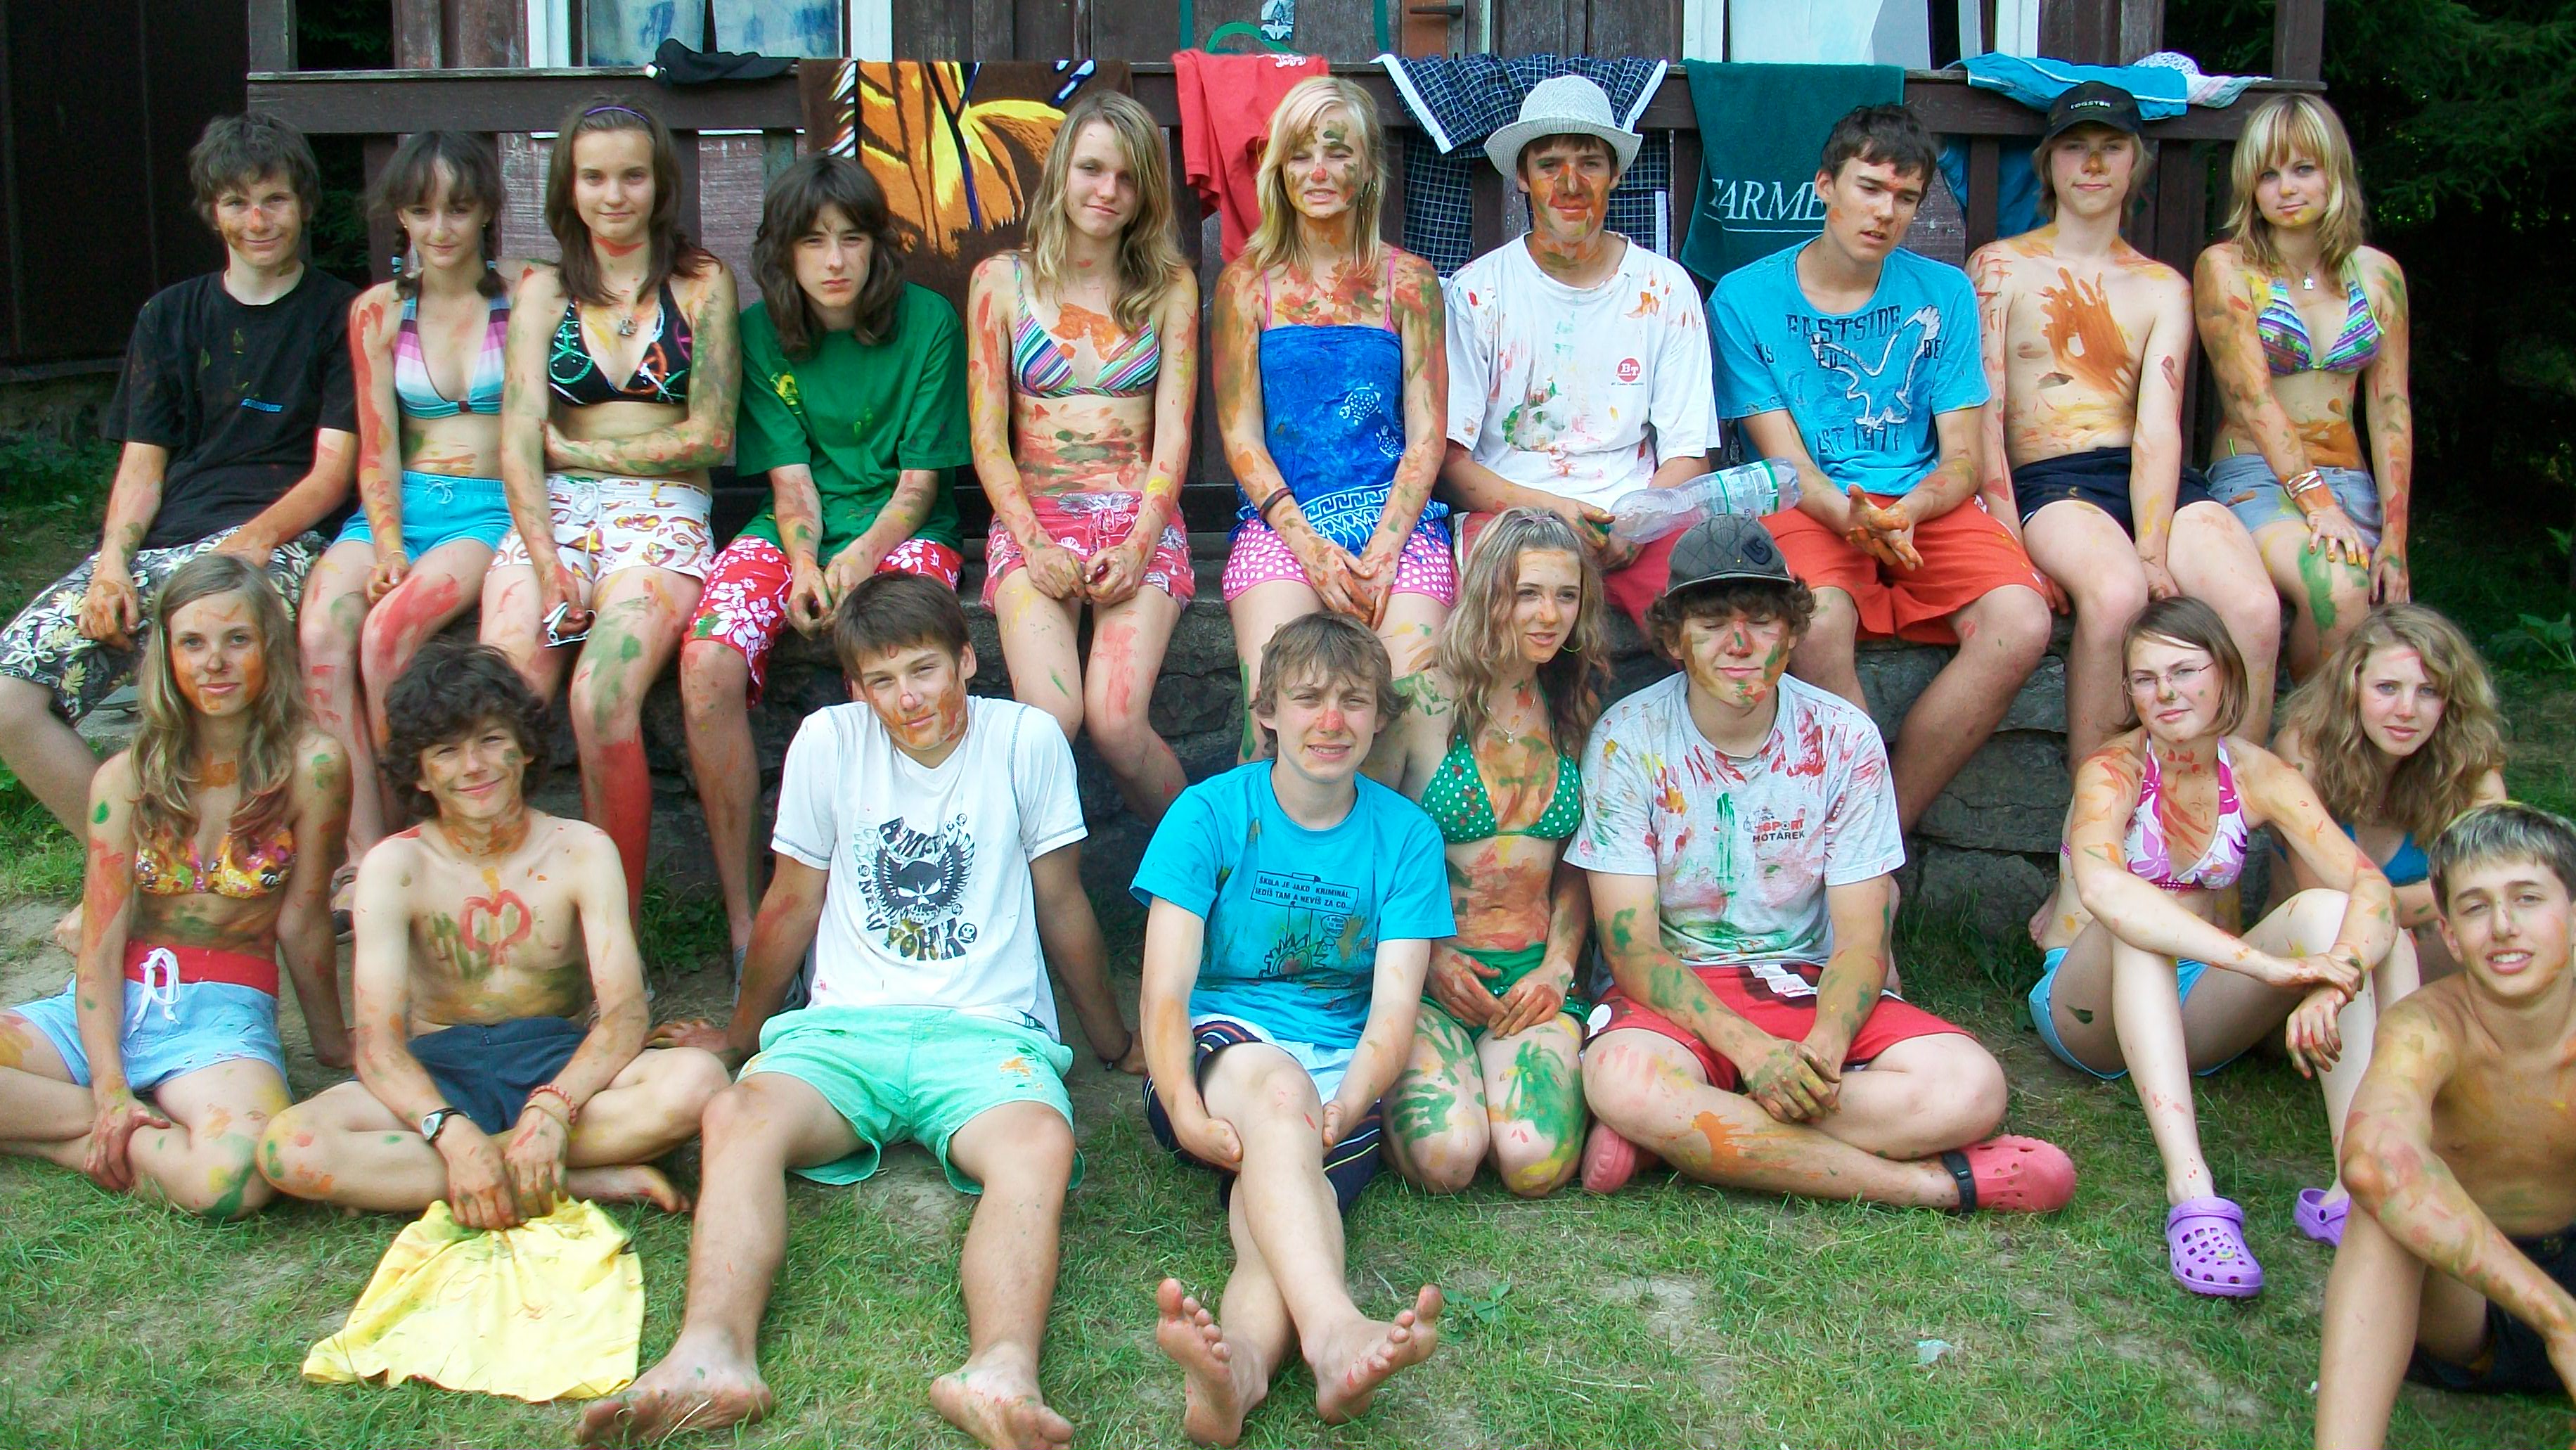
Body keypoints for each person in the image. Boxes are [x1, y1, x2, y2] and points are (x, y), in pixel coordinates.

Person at [581, 575, 1142, 1450]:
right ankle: (710, 1355)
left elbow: (1062, 900)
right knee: (737, 1114)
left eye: (924, 670)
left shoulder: (1024, 739)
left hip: (985, 1035)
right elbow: (790, 902)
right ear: (855, 687)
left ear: (966, 660)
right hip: (842, 1034)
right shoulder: (829, 741)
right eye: (881, 680)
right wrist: (739, 1039)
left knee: (1038, 1142)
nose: (907, 698)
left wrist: (1112, 1039)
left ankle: (999, 1371)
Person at [1571, 515, 2075, 1217]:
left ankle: (1680, 1134)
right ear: (1672, 639)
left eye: (1761, 622)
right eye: (1712, 625)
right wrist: (1752, 1054)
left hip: (1804, 983)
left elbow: (1863, 936)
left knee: (1971, 1089)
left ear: (1793, 632)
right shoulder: (1627, 738)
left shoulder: (1842, 736)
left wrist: (1824, 1053)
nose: (1739, 644)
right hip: (1677, 994)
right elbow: (1632, 951)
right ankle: (1936, 1186)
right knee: (1625, 1081)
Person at [259, 641, 726, 1223]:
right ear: (419, 773)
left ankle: (436, 1177)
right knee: (289, 1147)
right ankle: (570, 1178)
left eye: (490, 740)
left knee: (699, 1082)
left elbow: (625, 1015)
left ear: (526, 748)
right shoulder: (395, 866)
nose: (473, 766)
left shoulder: (582, 850)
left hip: (558, 1054)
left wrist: (554, 1108)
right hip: (440, 1067)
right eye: (446, 751)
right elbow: (378, 1047)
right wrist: (450, 1132)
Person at [1138, 612, 1449, 1446]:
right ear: (1268, 709)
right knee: (1279, 1094)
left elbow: (1392, 1010)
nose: (1332, 721)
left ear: (1381, 717)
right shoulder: (1208, 813)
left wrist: (1351, 1100)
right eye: (1308, 699)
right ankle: (1334, 1332)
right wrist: (1183, 1105)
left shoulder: (1405, 835)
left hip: (1340, 1069)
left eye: (1354, 701)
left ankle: (1238, 1371)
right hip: (1220, 1052)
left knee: (1282, 1210)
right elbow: (1164, 991)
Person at [2029, 597, 2399, 1297]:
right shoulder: (2112, 770)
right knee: (2139, 920)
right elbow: (2106, 890)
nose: (2165, 693)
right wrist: (2266, 966)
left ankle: (2356, 1184)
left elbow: (2369, 887)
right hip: (2086, 1005)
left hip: (2193, 1002)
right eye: (2145, 679)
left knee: (2327, 910)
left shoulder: (2257, 774)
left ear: (2226, 673)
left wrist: (2337, 975)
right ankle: (2192, 1193)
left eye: (2184, 672)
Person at [0, 115, 354, 840]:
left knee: (209, 663)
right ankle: (135, 863)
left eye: (275, 200)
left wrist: (245, 545)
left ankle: (231, 865)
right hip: (164, 546)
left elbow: (331, 475)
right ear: (212, 212)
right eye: (237, 203)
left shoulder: (341, 314)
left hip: (278, 541)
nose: (258, 221)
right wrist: (110, 565)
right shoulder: (168, 317)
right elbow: (142, 467)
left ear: (305, 204)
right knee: (9, 700)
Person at [1709, 103, 2052, 831]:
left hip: (1920, 501)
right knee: (1817, 624)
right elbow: (1786, 462)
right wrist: (1854, 518)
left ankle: (1880, 831)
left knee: (2021, 622)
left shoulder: (1944, 292)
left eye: (1905, 197)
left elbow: (1964, 456)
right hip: (1810, 502)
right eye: (1868, 187)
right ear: (1824, 186)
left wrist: (1910, 511)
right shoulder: (1744, 297)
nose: (1884, 212)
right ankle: (1864, 840)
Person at [681, 155, 971, 963]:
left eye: (851, 239)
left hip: (903, 531)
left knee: (883, 662)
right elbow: (791, 481)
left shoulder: (928, 322)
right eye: (812, 242)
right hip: (795, 529)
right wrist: (807, 565)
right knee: (705, 662)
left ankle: (872, 908)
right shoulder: (759, 333)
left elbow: (918, 486)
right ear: (783, 254)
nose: (835, 261)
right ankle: (750, 915)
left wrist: (857, 565)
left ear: (878, 245)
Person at [0, 556, 349, 1216]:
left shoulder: (315, 766)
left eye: (237, 639)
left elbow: (302, 920)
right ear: (166, 654)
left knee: (235, 1178)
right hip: (114, 998)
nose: (214, 662)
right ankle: (100, 1127)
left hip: (222, 1015)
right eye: (192, 642)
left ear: (271, 647)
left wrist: (333, 1043)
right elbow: (102, 942)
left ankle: (50, 1126)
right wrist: (109, 1090)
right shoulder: (126, 778)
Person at [1969, 83, 2280, 766]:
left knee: (2254, 609)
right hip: (2051, 480)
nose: (2092, 164)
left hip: (2150, 476)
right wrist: (2008, 542)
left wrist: (2155, 546)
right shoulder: (1999, 266)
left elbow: (2158, 426)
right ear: (2048, 163)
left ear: (2135, 162)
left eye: (2110, 148)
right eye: (2074, 148)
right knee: (2116, 595)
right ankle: (2096, 807)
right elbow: (1984, 413)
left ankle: (2232, 803)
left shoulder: (2163, 285)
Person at [482, 98, 740, 920]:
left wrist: (581, 451)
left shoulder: (701, 282)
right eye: (594, 177)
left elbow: (711, 435)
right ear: (569, 186)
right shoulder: (542, 290)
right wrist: (547, 563)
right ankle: (502, 912)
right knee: (499, 696)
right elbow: (520, 441)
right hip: (554, 512)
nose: (614, 195)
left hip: (663, 511)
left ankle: (612, 925)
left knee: (599, 696)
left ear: (660, 184)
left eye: (632, 175)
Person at [302, 130, 528, 911]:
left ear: (486, 211)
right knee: (321, 632)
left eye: (458, 209)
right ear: (400, 215)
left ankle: (423, 838)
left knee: (386, 634)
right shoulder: (379, 310)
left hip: (487, 507)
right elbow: (376, 442)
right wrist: (389, 542)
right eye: (423, 210)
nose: (441, 228)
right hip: (399, 504)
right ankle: (363, 852)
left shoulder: (524, 291)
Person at [967, 89, 1201, 822]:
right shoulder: (1000, 281)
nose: (1108, 190)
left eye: (1128, 177)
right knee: (1050, 720)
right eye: (1093, 169)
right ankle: (1026, 884)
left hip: (1139, 519)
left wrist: (1139, 544)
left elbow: (1173, 437)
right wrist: (1034, 544)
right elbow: (987, 439)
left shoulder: (1168, 286)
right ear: (1062, 170)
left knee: (1117, 720)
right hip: (1034, 517)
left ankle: (1206, 871)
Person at [2314, 804, 2576, 1447]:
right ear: (2452, 938)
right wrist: (2558, 1318)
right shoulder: (2428, 1026)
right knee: (2385, 1201)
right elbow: (2372, 1159)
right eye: (2477, 907)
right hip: (2468, 1299)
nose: (2504, 927)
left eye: (2528, 898)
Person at [1210, 76, 1452, 763]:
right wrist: (1311, 548)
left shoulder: (1409, 282)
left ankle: (1391, 837)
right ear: (1279, 171)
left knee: (1412, 706)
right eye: (1300, 155)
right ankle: (1266, 837)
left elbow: (1427, 434)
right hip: (1282, 526)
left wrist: (1384, 550)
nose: (1318, 171)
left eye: (1338, 153)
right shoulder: (1245, 285)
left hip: (1396, 525)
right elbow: (1240, 435)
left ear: (1367, 168)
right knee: (1273, 714)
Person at [1377, 507, 1604, 1197]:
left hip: (1533, 981)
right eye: (1526, 592)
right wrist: (1426, 958)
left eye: (1566, 596)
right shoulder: (1418, 706)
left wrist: (1560, 967)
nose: (1549, 615)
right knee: (1447, 1159)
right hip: (1425, 976)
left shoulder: (1575, 711)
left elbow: (1578, 865)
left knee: (1534, 1164)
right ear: (1486, 592)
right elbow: (1365, 851)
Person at [1438, 77, 1715, 627]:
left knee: (1709, 619)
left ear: (1616, 174)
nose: (1570, 184)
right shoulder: (1476, 293)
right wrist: (1554, 512)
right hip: (1512, 517)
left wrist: (1638, 521)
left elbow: (1690, 454)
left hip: (1638, 517)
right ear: (1522, 177)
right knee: (1503, 631)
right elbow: (1451, 464)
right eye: (1549, 165)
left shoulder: (1664, 289)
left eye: (1590, 163)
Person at [2194, 93, 2414, 680]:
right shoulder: (2227, 266)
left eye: (2303, 169)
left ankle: (2310, 724)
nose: (2286, 189)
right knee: (2338, 587)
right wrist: (2319, 505)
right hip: (2257, 476)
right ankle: (2307, 727)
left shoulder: (2379, 274)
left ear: (2334, 173)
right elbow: (2251, 397)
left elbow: (2391, 408)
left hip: (2352, 483)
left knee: (2362, 617)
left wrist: (2395, 538)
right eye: (2268, 175)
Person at [2273, 604, 2507, 996]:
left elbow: (2493, 887)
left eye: (2428, 691)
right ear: (2352, 686)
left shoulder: (2471, 770)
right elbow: (2326, 900)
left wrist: (2395, 909)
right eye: (2387, 688)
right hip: (2308, 960)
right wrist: (2443, 897)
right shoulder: (2304, 753)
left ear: (2451, 701)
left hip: (2415, 959)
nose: (2406, 711)